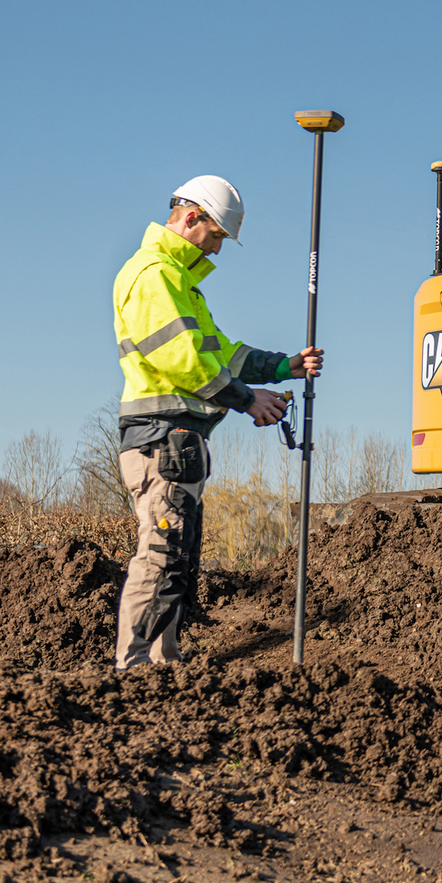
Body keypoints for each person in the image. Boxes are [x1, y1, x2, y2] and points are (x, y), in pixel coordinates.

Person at [110, 175, 324, 669]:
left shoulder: (180, 283)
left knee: (178, 557)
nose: (218, 250)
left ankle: (163, 661)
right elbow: (182, 359)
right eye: (216, 237)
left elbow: (221, 352)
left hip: (180, 440)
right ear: (191, 219)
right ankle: (134, 665)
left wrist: (284, 366)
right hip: (160, 437)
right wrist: (246, 400)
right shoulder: (153, 274)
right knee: (162, 551)